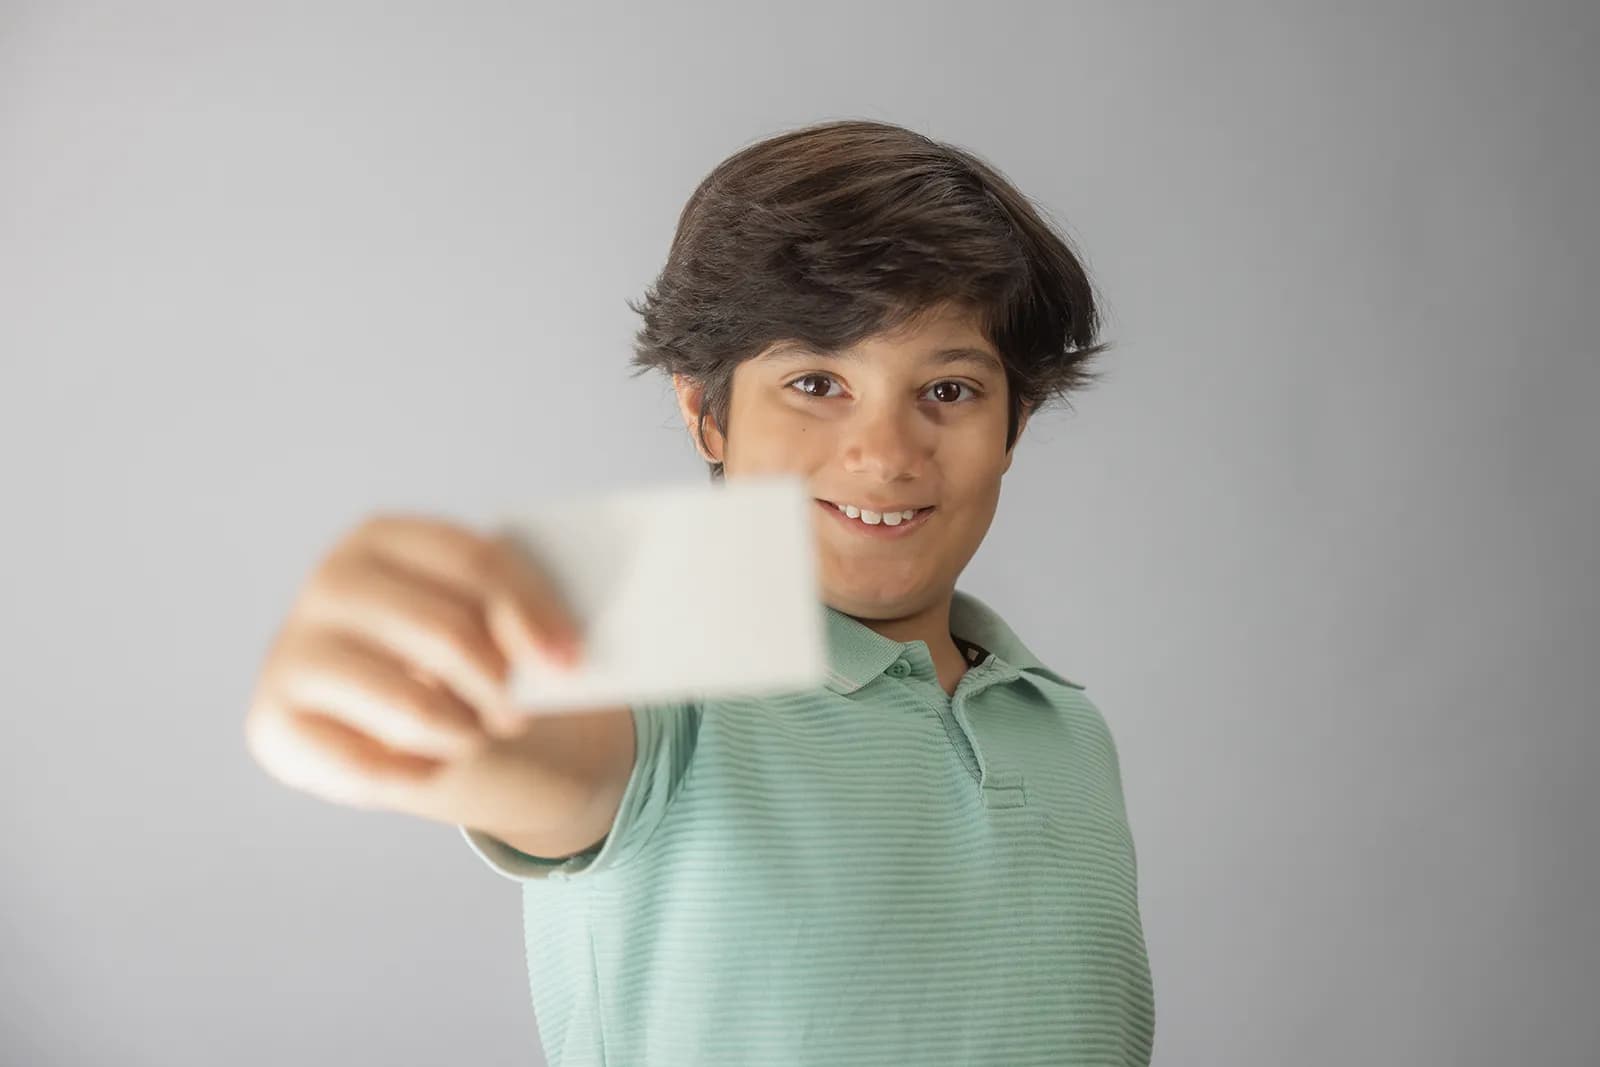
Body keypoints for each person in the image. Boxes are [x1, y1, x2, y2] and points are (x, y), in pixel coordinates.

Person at [245, 118, 1155, 1066]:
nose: (886, 455)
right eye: (817, 382)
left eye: (951, 391)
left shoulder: (1068, 727)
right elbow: (536, 749)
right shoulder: (661, 675)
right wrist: (386, 692)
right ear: (704, 412)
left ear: (1015, 422)